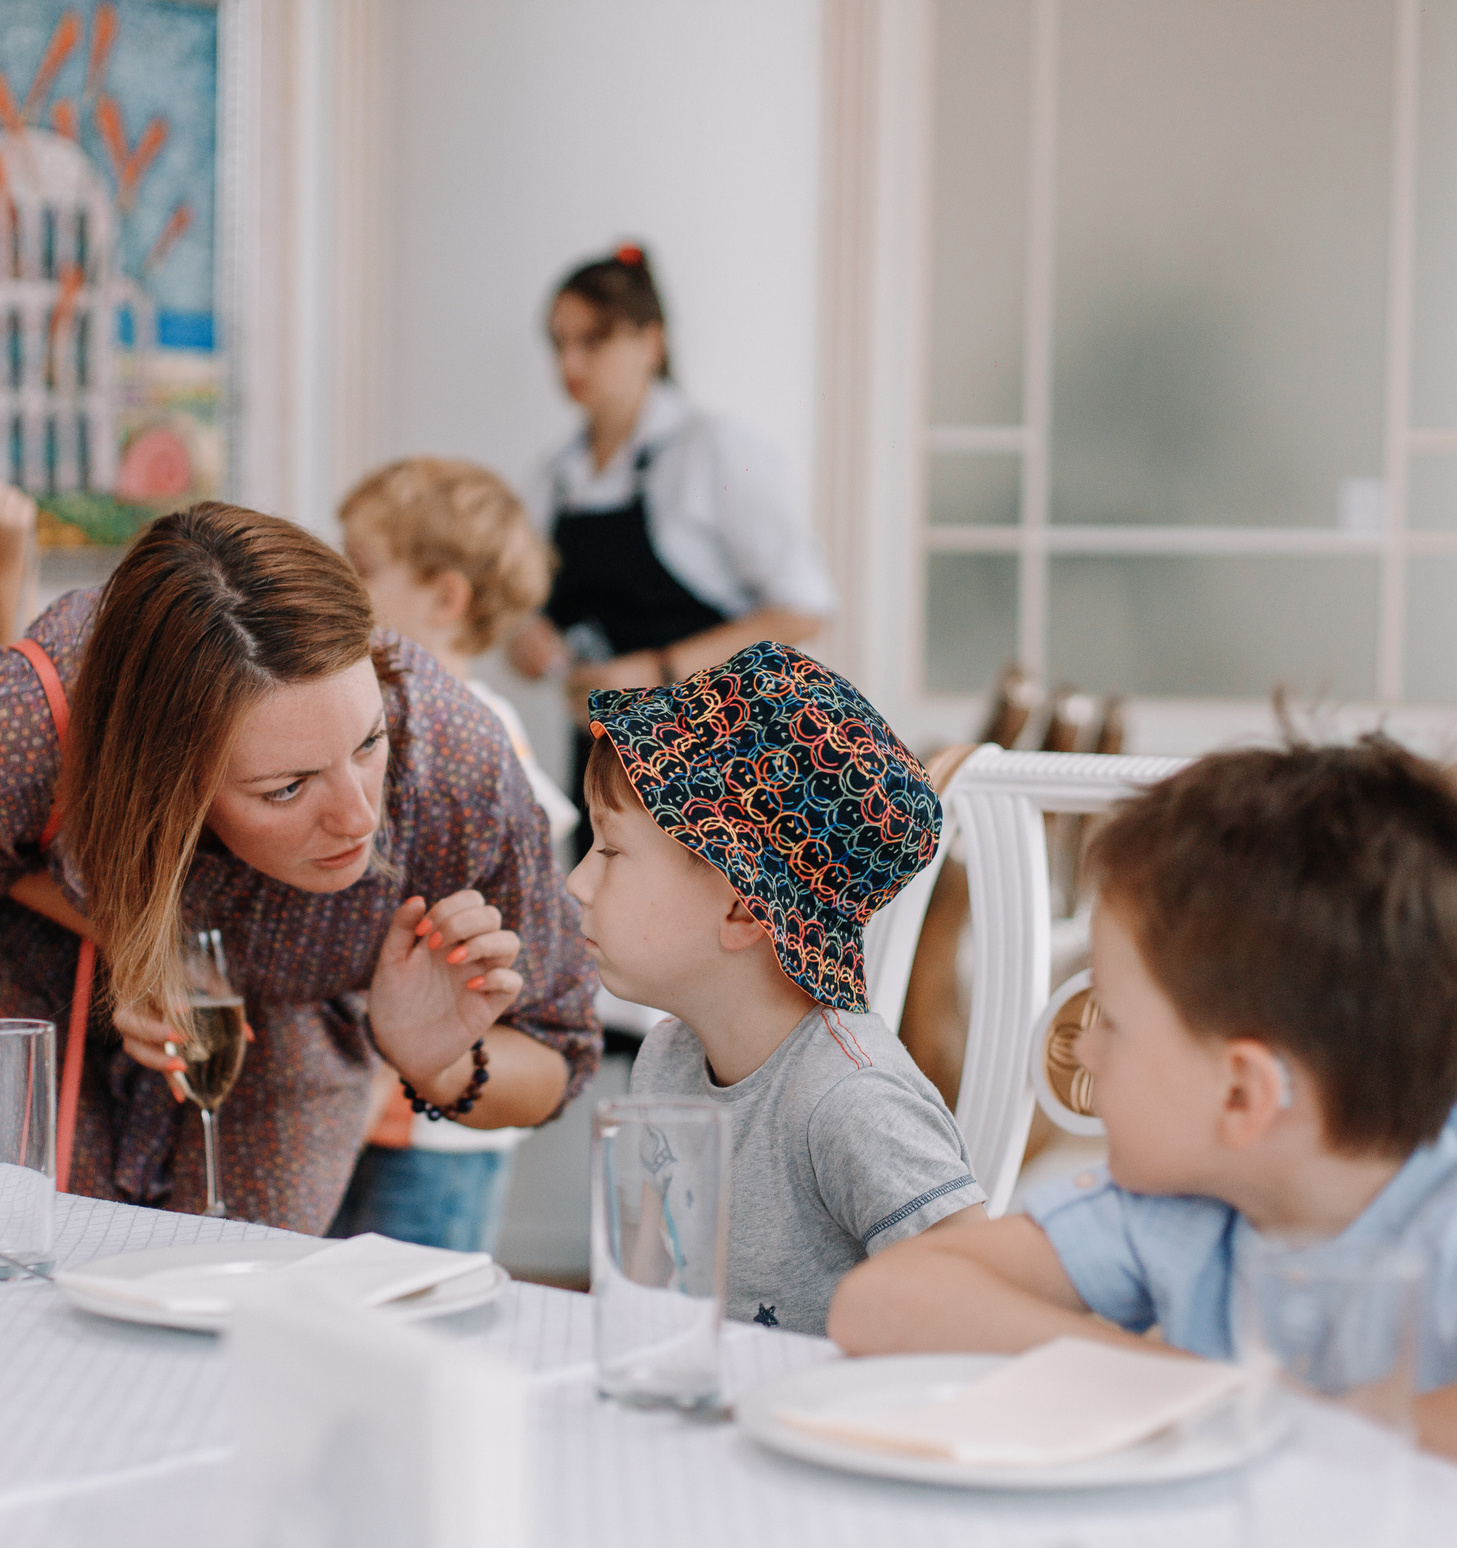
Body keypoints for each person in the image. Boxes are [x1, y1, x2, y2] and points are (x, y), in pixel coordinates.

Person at [828, 739, 1457, 1500]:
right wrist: (1202, 1394)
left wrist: (1313, 1429)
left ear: (1244, 1095)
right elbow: (884, 1302)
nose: (1082, 1050)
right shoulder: (1187, 1199)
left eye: (1116, 1021)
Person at [0, 502, 600, 1231]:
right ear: (168, 774)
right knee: (47, 1246)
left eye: (369, 743)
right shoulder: (22, 725)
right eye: (287, 787)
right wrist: (134, 940)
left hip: (294, 1012)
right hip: (27, 964)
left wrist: (435, 1063)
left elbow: (558, 1056)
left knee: (247, 1272)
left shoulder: (455, 761)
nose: (360, 819)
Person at [569, 643, 985, 1334]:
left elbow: (976, 1301)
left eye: (610, 851)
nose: (576, 882)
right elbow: (644, 1298)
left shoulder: (851, 1100)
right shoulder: (665, 1061)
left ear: (740, 907)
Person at [509, 245, 833, 857]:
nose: (570, 362)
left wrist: (657, 672)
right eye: (558, 343)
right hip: (605, 773)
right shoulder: (552, 478)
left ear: (651, 341)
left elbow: (802, 610)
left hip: (721, 765)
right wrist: (530, 641)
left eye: (593, 341)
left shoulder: (717, 451)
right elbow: (523, 619)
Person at [330, 457, 578, 1251]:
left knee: (413, 1324)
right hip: (365, 1102)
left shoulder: (477, 734)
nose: (337, 583)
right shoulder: (377, 725)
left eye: (361, 568)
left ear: (444, 598)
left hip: (436, 1129)